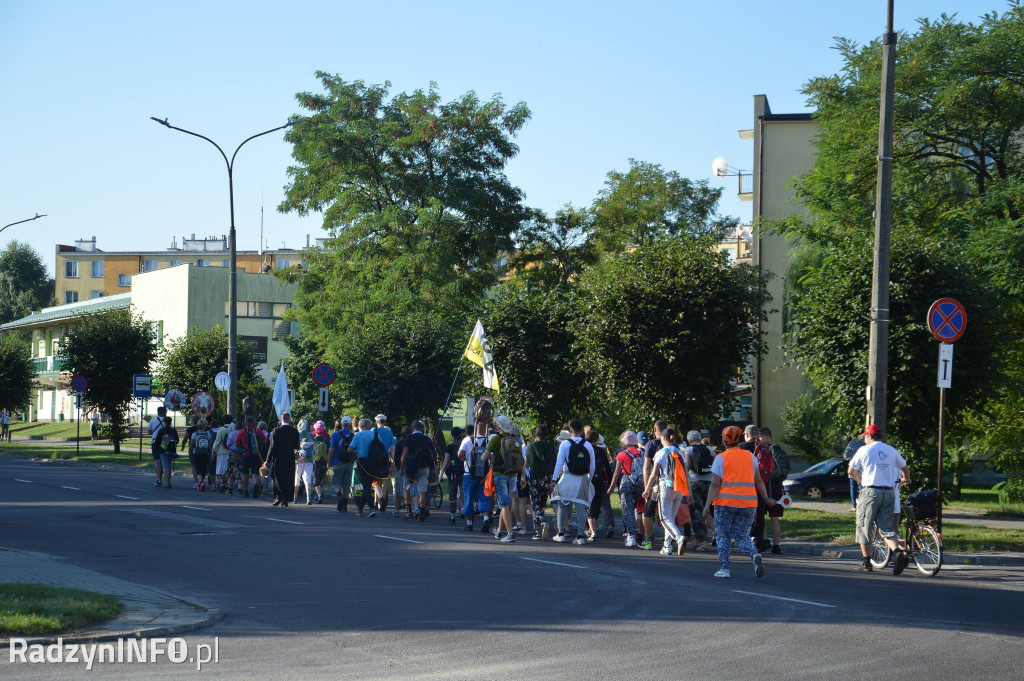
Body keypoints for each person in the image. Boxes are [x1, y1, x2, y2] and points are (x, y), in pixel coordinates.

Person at [703, 425, 776, 578]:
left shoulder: (720, 458)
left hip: (725, 503)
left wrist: (707, 505)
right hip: (748, 503)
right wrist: (765, 498)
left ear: (724, 440)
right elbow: (758, 481)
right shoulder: (750, 456)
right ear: (739, 439)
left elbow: (715, 484)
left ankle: (724, 568)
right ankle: (754, 554)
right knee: (742, 536)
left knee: (723, 535)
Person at [848, 424, 911, 575]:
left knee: (864, 526)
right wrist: (906, 479)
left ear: (869, 436)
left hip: (870, 492)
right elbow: (905, 469)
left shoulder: (864, 450)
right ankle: (897, 552)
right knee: (887, 528)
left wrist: (861, 482)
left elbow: (851, 471)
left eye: (865, 436)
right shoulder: (891, 450)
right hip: (889, 493)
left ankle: (866, 562)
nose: (864, 439)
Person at [644, 427, 690, 556]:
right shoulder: (680, 452)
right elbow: (686, 474)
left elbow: (654, 474)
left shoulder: (661, 453)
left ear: (663, 439)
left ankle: (679, 538)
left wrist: (647, 489)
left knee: (665, 518)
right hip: (679, 487)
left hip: (665, 486)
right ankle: (667, 546)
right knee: (671, 518)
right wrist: (689, 492)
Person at [550, 419, 595, 545]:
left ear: (570, 431)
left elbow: (559, 464)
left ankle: (561, 534)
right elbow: (592, 467)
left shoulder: (565, 444)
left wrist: (554, 479)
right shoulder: (588, 445)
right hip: (582, 479)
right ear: (582, 431)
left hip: (567, 477)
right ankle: (580, 536)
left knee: (562, 505)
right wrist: (588, 480)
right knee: (580, 507)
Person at [350, 415, 397, 517]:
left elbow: (350, 448)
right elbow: (382, 447)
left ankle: (371, 508)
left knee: (366, 485)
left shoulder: (358, 435)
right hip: (375, 463)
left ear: (360, 426)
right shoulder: (375, 434)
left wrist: (357, 451)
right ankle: (360, 509)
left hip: (362, 462)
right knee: (367, 484)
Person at [487, 414, 524, 542]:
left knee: (504, 504)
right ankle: (499, 531)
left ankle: (510, 533)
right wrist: (523, 476)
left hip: (500, 473)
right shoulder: (516, 440)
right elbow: (520, 459)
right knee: (505, 503)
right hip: (513, 474)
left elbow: (484, 457)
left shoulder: (496, 439)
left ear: (498, 426)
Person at [740, 425, 775, 552]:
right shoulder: (764, 448)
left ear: (747, 435)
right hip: (761, 485)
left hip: (745, 486)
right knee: (759, 514)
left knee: (744, 514)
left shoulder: (742, 447)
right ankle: (759, 542)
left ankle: (750, 538)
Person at [608, 430, 644, 547]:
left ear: (625, 442)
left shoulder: (621, 454)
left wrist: (612, 486)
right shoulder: (641, 453)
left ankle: (631, 536)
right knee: (636, 509)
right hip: (639, 484)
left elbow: (616, 473)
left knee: (627, 511)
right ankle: (641, 533)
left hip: (627, 483)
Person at [458, 420, 493, 532]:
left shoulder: (467, 440)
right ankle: (486, 519)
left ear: (475, 429)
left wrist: (465, 458)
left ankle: (469, 524)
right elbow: (492, 461)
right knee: (484, 497)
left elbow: (460, 454)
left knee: (468, 498)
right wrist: (487, 475)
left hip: (469, 474)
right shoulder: (488, 441)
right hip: (483, 475)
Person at [684, 430, 715, 551]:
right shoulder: (709, 449)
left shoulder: (689, 449)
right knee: (706, 511)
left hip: (695, 482)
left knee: (696, 513)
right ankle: (698, 540)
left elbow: (688, 466)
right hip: (709, 483)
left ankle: (703, 541)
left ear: (689, 440)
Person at [759, 427, 788, 554]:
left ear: (766, 436)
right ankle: (776, 546)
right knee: (775, 518)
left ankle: (765, 541)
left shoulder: (763, 450)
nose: (759, 439)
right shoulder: (778, 450)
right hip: (777, 488)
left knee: (761, 517)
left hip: (765, 487)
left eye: (760, 437)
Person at [640, 420, 668, 550]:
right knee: (667, 513)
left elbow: (646, 467)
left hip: (655, 483)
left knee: (648, 511)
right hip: (669, 483)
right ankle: (668, 541)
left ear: (655, 429)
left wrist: (647, 487)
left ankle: (648, 540)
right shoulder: (672, 445)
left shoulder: (651, 444)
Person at [400, 420, 435, 521]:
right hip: (423, 467)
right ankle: (421, 513)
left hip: (411, 467)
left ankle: (409, 511)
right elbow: (431, 455)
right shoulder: (427, 438)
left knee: (406, 488)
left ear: (412, 428)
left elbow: (404, 454)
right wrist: (431, 467)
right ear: (422, 428)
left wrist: (402, 468)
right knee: (422, 492)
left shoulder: (409, 438)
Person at [526, 425, 557, 540]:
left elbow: (527, 463)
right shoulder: (551, 447)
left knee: (535, 505)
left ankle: (540, 526)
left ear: (536, 434)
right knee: (542, 504)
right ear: (547, 435)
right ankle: (538, 529)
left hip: (535, 477)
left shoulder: (531, 447)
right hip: (548, 478)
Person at [584, 426, 612, 542]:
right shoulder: (601, 451)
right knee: (596, 506)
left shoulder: (584, 450)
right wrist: (610, 482)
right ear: (596, 440)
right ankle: (592, 529)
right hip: (600, 481)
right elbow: (607, 468)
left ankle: (592, 531)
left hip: (587, 480)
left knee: (589, 506)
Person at [267, 412, 299, 507]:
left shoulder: (276, 430)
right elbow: (297, 446)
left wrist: (268, 460)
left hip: (278, 457)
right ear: (289, 419)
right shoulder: (294, 431)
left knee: (277, 477)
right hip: (289, 457)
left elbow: (272, 447)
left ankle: (278, 496)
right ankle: (286, 498)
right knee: (288, 477)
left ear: (281, 419)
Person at [437, 426, 465, 524]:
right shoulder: (464, 445)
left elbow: (445, 461)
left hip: (453, 474)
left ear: (452, 435)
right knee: (463, 494)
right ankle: (466, 514)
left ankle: (452, 517)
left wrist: (441, 475)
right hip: (464, 473)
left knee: (452, 495)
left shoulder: (450, 447)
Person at [330, 417, 356, 512]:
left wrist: (329, 462)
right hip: (349, 462)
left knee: (336, 481)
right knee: (346, 484)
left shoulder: (335, 434)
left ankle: (339, 495)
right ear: (350, 425)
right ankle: (345, 505)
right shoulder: (353, 435)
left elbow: (332, 450)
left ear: (341, 424)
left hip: (338, 462)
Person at [392, 426, 413, 516]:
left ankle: (397, 509)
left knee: (398, 490)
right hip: (411, 468)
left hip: (401, 468)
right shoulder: (413, 443)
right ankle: (413, 507)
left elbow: (396, 457)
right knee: (412, 489)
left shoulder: (399, 444)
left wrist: (398, 467)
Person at [154, 415, 178, 488]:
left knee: (165, 466)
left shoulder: (162, 430)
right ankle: (168, 482)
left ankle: (167, 483)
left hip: (163, 449)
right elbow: (177, 440)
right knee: (169, 466)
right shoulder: (173, 430)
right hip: (172, 450)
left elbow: (157, 441)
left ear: (164, 422)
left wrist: (155, 449)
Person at [295, 424, 316, 504]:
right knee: (308, 479)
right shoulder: (311, 435)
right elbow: (315, 449)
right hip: (309, 460)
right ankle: (308, 498)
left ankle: (295, 498)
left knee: (297, 479)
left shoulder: (297, 434)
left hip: (298, 460)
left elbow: (294, 448)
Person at [190, 419, 214, 491]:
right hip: (205, 453)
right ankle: (202, 481)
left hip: (197, 453)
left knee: (198, 468)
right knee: (204, 468)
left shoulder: (194, 434)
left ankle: (200, 482)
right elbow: (210, 445)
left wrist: (190, 452)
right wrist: (211, 453)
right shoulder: (208, 434)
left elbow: (191, 444)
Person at [311, 420, 331, 504]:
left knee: (316, 480)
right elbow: (329, 451)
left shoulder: (313, 440)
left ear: (315, 431)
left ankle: (319, 495)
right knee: (321, 480)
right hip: (325, 462)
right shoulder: (327, 440)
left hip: (315, 462)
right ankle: (317, 495)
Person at [844, 434, 865, 511]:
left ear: (852, 435)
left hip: (853, 466)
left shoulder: (852, 443)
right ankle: (863, 504)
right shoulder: (865, 442)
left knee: (853, 487)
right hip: (863, 467)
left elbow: (846, 456)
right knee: (862, 486)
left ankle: (854, 506)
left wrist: (852, 457)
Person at [212, 414, 233, 492]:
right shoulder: (233, 428)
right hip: (231, 451)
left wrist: (213, 450)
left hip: (221, 451)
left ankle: (221, 482)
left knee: (219, 469)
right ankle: (227, 484)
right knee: (228, 469)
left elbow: (217, 441)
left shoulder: (221, 429)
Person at [149, 406, 168, 487]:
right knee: (164, 460)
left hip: (155, 442)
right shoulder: (167, 420)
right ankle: (166, 479)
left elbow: (149, 432)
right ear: (164, 412)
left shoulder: (152, 420)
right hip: (165, 442)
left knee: (157, 461)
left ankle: (159, 479)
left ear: (157, 412)